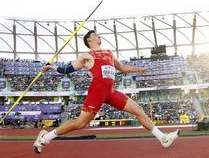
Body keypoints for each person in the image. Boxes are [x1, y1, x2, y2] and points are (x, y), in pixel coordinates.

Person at [33, 30, 179, 153]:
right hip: (97, 91)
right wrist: (51, 67)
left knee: (138, 110)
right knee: (80, 123)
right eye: (95, 35)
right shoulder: (86, 56)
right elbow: (66, 69)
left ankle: (162, 138)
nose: (99, 36)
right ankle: (45, 138)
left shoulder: (109, 53)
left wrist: (138, 69)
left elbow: (121, 67)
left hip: (110, 91)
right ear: (89, 40)